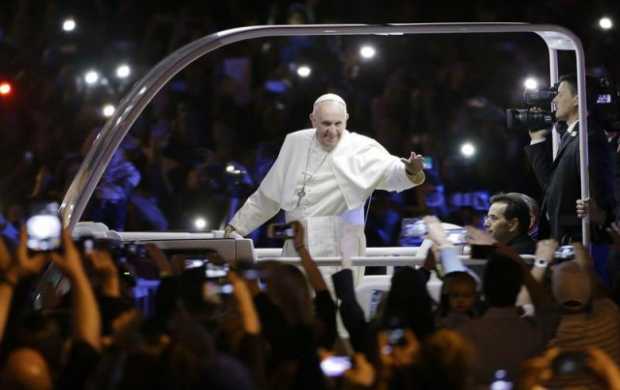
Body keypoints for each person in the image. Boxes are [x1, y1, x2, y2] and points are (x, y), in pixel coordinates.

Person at [225, 93, 425, 258]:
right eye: (326, 124)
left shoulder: (363, 147)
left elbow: (391, 171)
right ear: (313, 120)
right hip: (297, 245)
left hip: (341, 249)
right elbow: (268, 196)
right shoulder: (295, 143)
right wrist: (237, 227)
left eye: (338, 124)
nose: (332, 131)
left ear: (347, 119)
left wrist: (411, 171)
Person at [525, 74, 615, 244]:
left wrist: (602, 216)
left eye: (560, 94)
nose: (555, 100)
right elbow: (552, 187)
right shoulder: (572, 135)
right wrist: (537, 139)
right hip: (563, 239)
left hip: (581, 242)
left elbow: (605, 191)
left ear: (577, 99)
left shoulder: (589, 138)